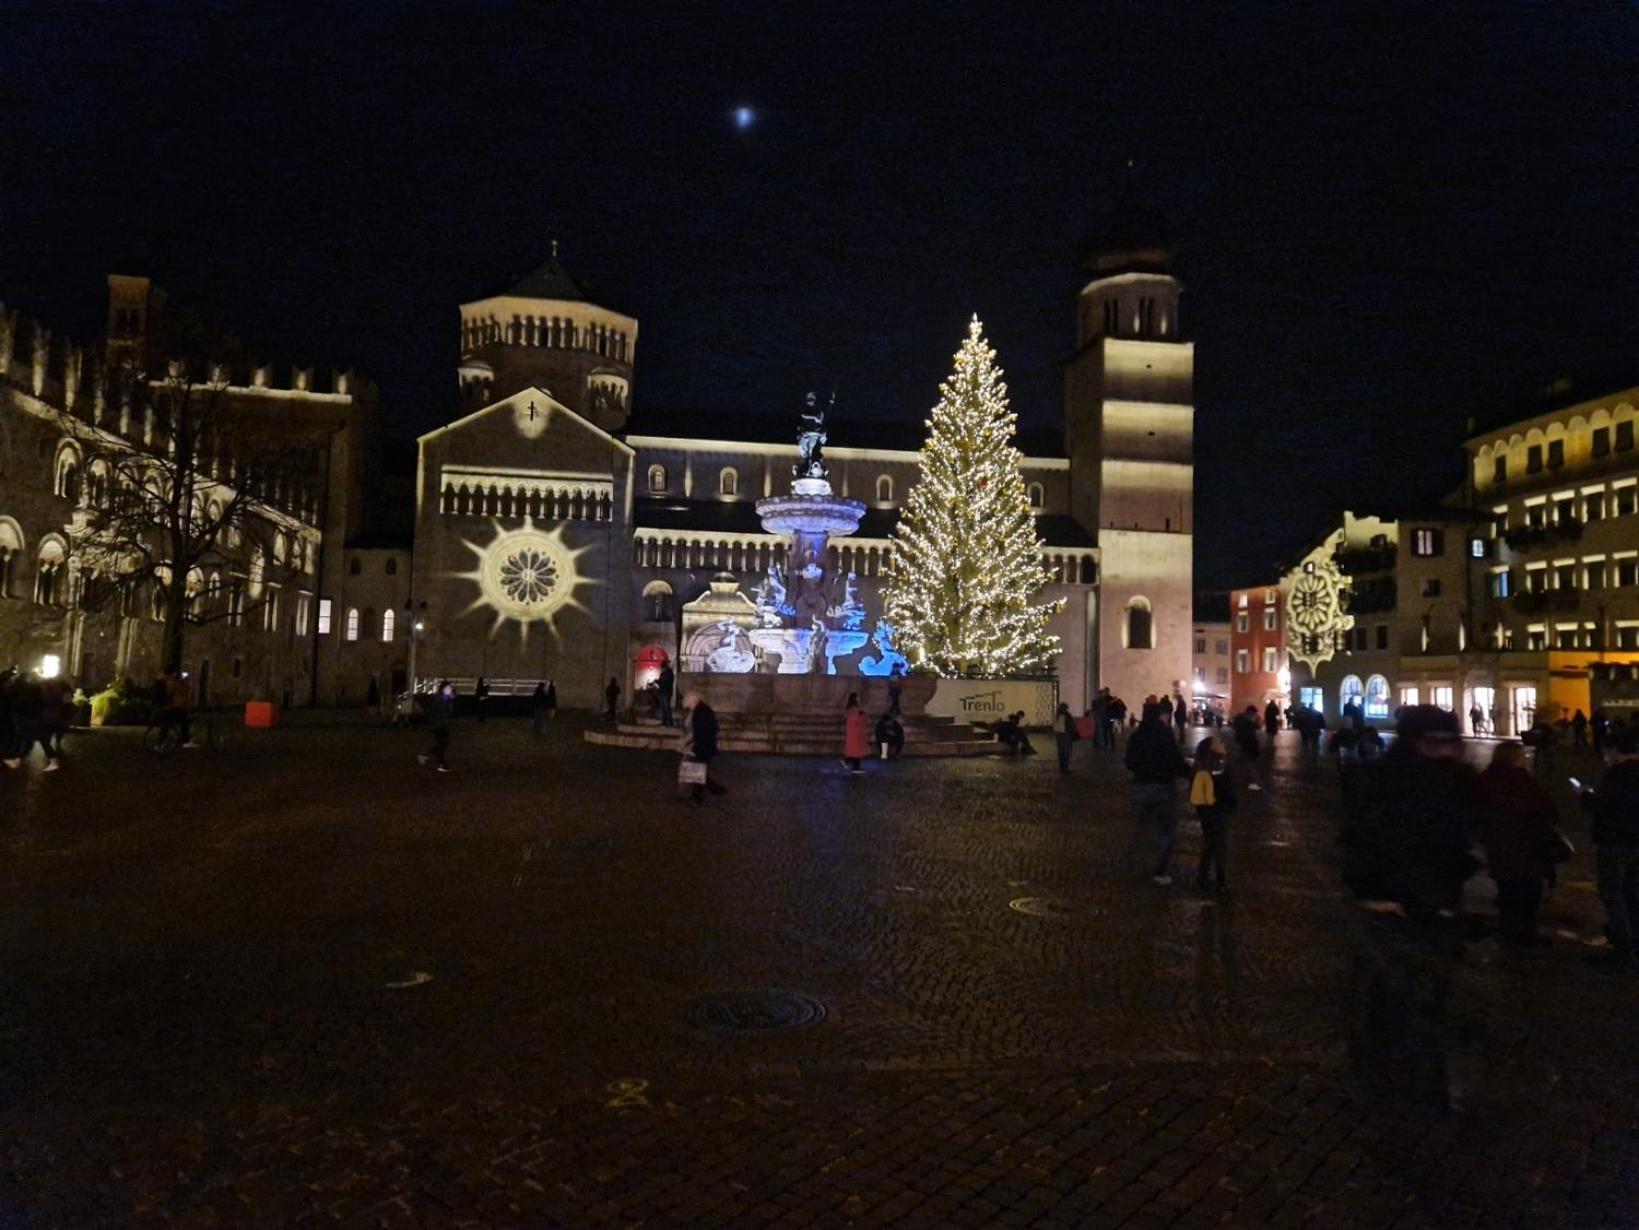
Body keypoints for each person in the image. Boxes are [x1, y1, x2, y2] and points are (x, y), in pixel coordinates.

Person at [1343, 705, 1478, 918]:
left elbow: (1465, 831)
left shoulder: (1460, 779)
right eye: (1433, 741)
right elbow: (1364, 835)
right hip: (1391, 895)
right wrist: (1371, 890)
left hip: (1441, 891)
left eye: (1450, 741)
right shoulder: (1384, 779)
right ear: (1412, 742)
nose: (1445, 749)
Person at [1476, 742, 1561, 946]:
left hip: (1500, 846)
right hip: (1527, 845)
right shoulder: (1523, 781)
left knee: (1508, 891)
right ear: (1514, 758)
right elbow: (1547, 810)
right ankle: (1525, 934)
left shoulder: (1485, 780)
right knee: (1529, 892)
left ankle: (1510, 931)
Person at [1582, 725, 1639, 972]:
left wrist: (1585, 796)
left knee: (1613, 894)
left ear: (1615, 750)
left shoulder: (1618, 774)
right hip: (1635, 842)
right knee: (1632, 894)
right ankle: (1634, 944)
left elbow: (1604, 808)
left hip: (1616, 842)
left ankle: (1624, 952)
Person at [1125, 701, 1192, 885]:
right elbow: (1175, 760)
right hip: (1163, 788)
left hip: (1141, 787)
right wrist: (1190, 774)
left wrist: (1141, 770)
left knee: (1142, 827)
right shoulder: (1164, 735)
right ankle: (1159, 870)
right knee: (1166, 831)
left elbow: (1129, 761)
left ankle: (1134, 864)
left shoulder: (1137, 736)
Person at [1190, 735, 1238, 894]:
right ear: (1212, 749)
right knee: (1220, 846)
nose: (1223, 744)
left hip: (1204, 809)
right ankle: (1220, 880)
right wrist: (1232, 803)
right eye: (1219, 743)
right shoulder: (1220, 764)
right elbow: (1226, 787)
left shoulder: (1199, 765)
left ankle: (1202, 877)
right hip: (1219, 809)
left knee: (1210, 843)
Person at [680, 691, 725, 803]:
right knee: (697, 771)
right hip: (702, 746)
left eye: (686, 699)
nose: (683, 701)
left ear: (692, 701)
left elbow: (699, 732)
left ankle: (707, 793)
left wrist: (691, 744)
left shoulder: (701, 712)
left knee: (697, 771)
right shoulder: (699, 711)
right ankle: (710, 791)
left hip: (702, 747)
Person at [417, 680, 454, 772]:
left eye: (450, 688)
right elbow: (440, 712)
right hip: (439, 725)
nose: (449, 690)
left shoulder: (445, 699)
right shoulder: (441, 699)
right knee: (442, 744)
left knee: (442, 744)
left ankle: (426, 756)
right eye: (447, 688)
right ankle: (441, 764)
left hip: (442, 724)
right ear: (442, 689)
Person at [842, 692, 869, 774]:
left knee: (856, 751)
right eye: (857, 698)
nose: (859, 699)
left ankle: (854, 766)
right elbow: (856, 720)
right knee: (856, 751)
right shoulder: (854, 710)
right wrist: (862, 715)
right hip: (856, 733)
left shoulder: (851, 709)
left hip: (855, 733)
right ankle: (851, 764)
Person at [1053, 701, 1077, 772]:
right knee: (1066, 752)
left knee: (1061, 752)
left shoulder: (1057, 715)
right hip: (1066, 736)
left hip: (1059, 736)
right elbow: (1071, 725)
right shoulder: (1066, 715)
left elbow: (1056, 727)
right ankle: (1065, 767)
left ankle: (1062, 767)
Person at [657, 662, 676, 728]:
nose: (661, 669)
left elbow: (666, 682)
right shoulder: (664, 673)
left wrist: (659, 681)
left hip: (666, 692)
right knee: (663, 708)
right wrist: (657, 681)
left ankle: (670, 722)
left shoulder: (669, 673)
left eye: (662, 668)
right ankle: (665, 722)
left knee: (667, 708)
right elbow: (661, 682)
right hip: (663, 692)